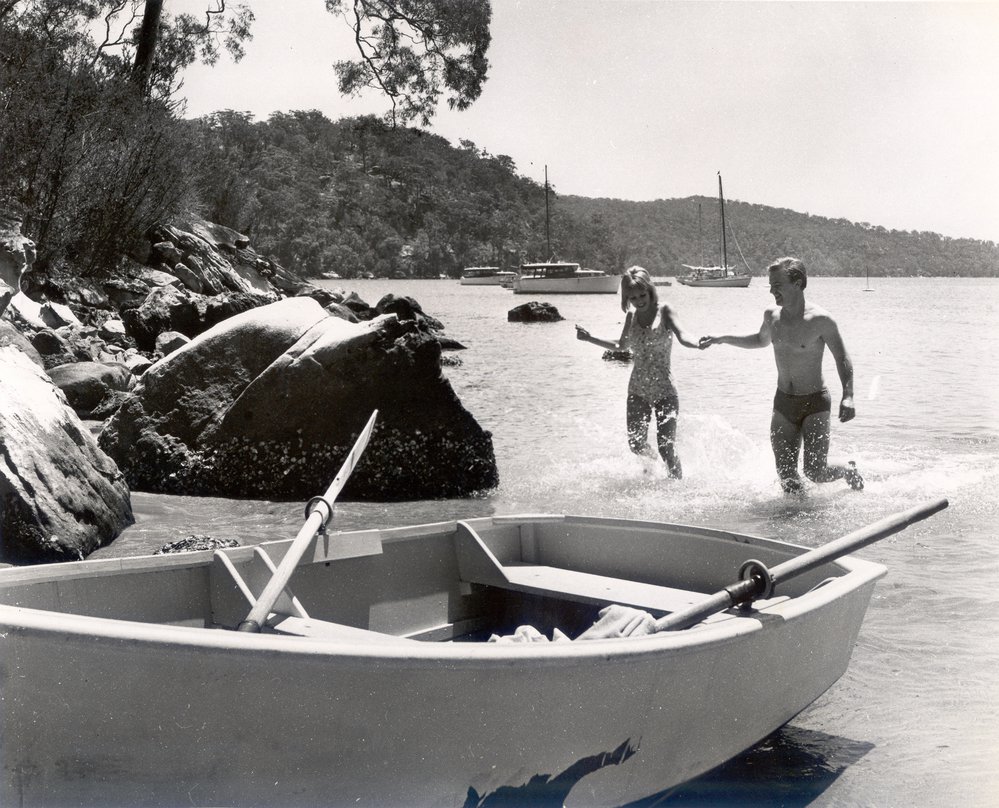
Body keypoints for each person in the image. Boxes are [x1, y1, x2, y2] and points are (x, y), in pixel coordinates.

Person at [699, 256, 864, 493]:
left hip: (814, 401)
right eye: (770, 285)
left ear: (797, 283)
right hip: (783, 402)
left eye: (777, 285)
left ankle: (847, 469)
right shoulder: (772, 316)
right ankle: (792, 526)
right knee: (786, 477)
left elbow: (842, 358)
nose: (771, 291)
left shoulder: (821, 320)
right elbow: (759, 340)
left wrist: (848, 395)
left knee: (814, 471)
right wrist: (722, 338)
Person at [576, 266, 699, 477]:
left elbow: (683, 334)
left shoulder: (665, 311)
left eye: (642, 295)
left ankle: (678, 487)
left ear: (650, 290)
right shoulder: (631, 316)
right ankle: (653, 469)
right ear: (627, 298)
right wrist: (590, 338)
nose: (639, 300)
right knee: (635, 444)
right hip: (637, 388)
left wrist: (697, 343)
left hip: (665, 389)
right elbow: (621, 345)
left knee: (666, 447)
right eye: (633, 298)